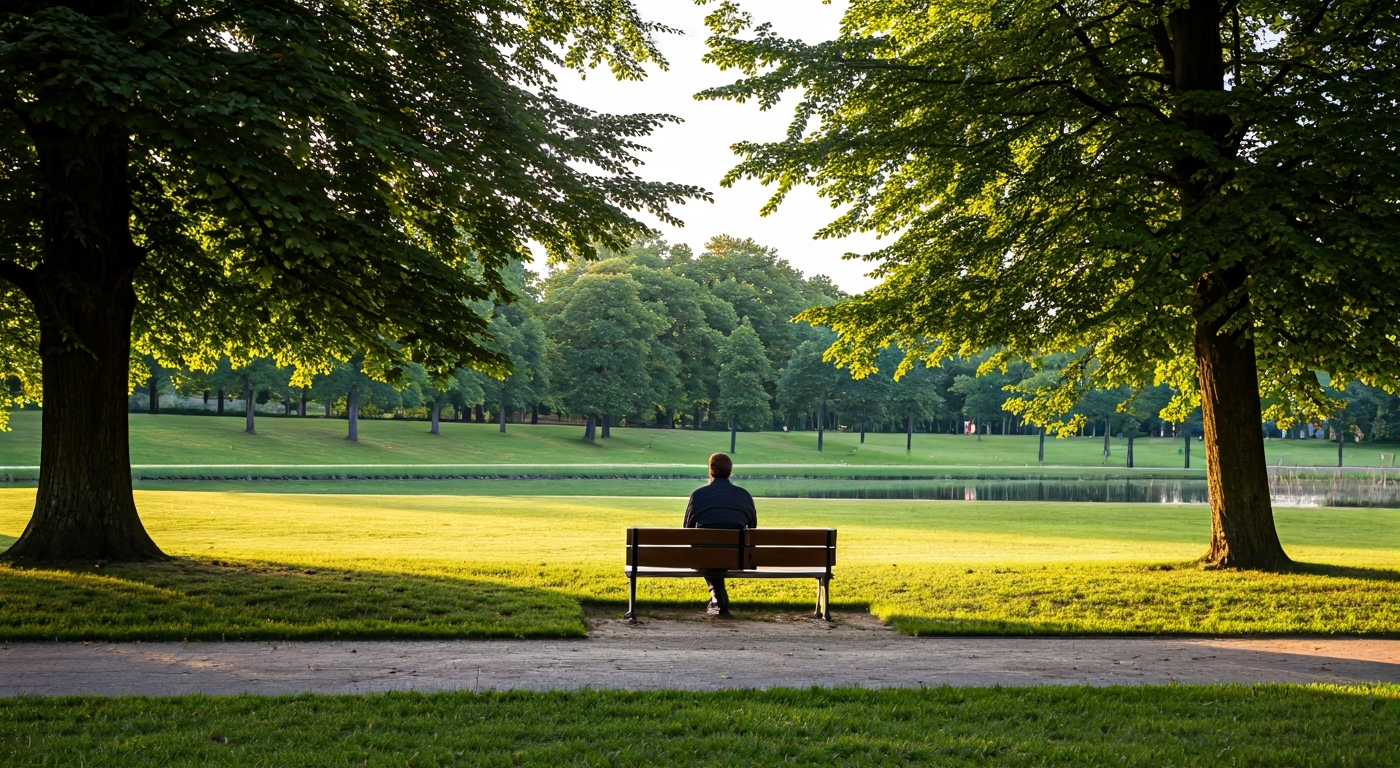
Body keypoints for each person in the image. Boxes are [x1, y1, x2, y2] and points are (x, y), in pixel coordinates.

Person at [682, 452, 756, 617]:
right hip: (737, 557)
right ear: (730, 471)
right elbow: (753, 528)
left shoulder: (698, 495)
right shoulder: (744, 495)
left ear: (710, 470)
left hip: (705, 556)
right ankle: (718, 601)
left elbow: (687, 530)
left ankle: (718, 600)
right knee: (717, 552)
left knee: (709, 552)